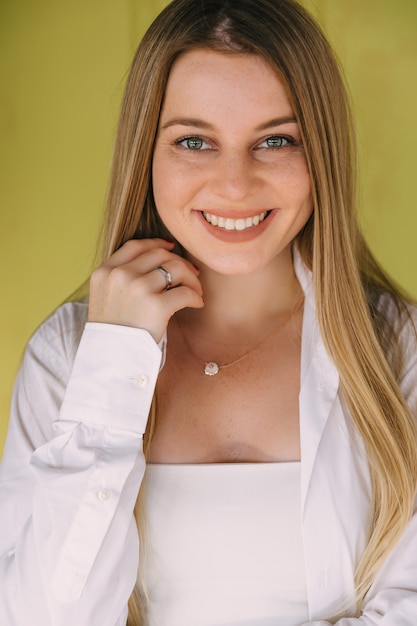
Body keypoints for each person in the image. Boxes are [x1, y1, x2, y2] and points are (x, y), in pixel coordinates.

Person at [1, 0, 417, 624]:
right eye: (194, 141)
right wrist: (113, 367)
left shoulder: (398, 348)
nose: (234, 184)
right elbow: (40, 616)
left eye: (276, 140)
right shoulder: (70, 352)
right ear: (148, 152)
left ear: (321, 154)